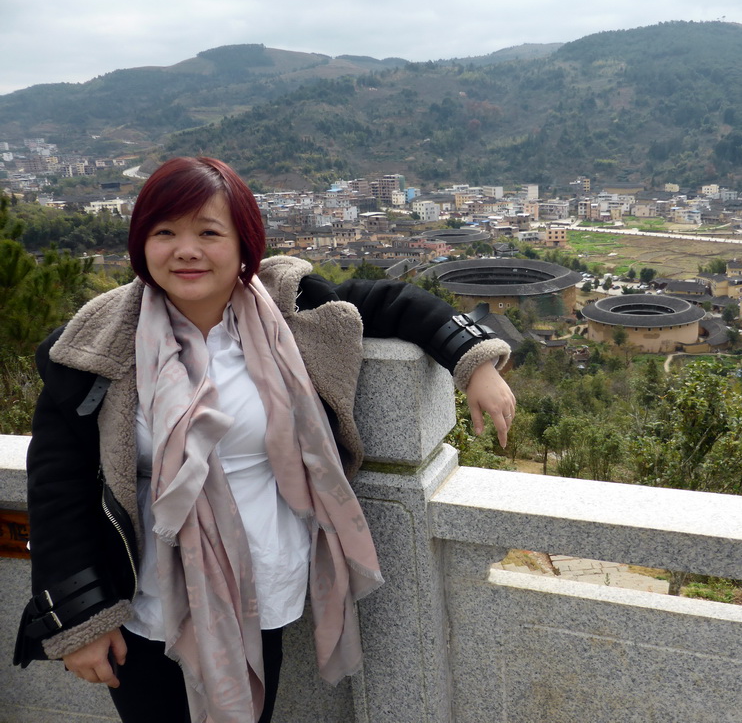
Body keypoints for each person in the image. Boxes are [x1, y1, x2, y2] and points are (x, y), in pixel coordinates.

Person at [13, 157, 516, 723]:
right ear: (141, 244)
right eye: (165, 232)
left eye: (209, 232)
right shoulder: (94, 344)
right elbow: (57, 486)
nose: (186, 250)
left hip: (262, 583)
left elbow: (390, 303)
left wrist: (473, 361)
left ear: (243, 242)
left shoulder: (286, 308)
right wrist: (81, 618)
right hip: (142, 597)